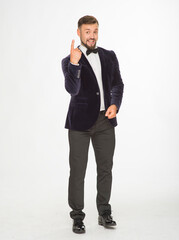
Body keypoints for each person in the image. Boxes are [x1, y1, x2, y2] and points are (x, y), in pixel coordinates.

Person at [61, 15, 124, 234]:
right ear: (78, 32)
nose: (92, 36)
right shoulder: (69, 60)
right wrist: (75, 64)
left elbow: (118, 84)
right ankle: (77, 216)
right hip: (79, 124)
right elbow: (72, 89)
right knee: (78, 171)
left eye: (95, 31)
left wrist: (115, 104)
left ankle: (104, 212)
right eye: (87, 31)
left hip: (105, 121)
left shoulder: (109, 56)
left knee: (105, 168)